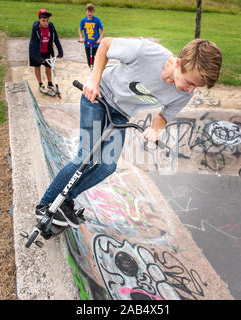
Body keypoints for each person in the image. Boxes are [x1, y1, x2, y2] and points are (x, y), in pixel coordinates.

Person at [36, 37, 222, 228]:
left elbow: (165, 115)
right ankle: (45, 204)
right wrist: (94, 79)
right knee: (87, 156)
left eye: (196, 87)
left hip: (121, 116)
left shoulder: (184, 93)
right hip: (98, 97)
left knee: (107, 166)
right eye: (190, 82)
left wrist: (155, 129)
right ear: (178, 63)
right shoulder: (145, 52)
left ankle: (65, 200)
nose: (191, 90)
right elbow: (106, 45)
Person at [29, 8, 63, 94]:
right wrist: (38, 58)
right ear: (39, 19)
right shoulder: (36, 27)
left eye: (47, 20)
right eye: (43, 20)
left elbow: (56, 39)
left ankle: (50, 83)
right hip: (36, 50)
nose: (45, 23)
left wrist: (60, 51)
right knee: (37, 67)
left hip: (46, 50)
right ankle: (40, 84)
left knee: (48, 66)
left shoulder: (51, 26)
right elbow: (35, 43)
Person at [78, 3, 104, 68]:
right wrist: (81, 38)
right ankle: (92, 71)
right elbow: (80, 29)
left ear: (94, 12)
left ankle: (97, 72)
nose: (90, 13)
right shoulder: (83, 20)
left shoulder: (97, 20)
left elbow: (102, 29)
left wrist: (100, 39)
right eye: (88, 11)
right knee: (89, 61)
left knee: (97, 60)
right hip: (87, 44)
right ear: (86, 12)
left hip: (96, 44)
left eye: (91, 12)